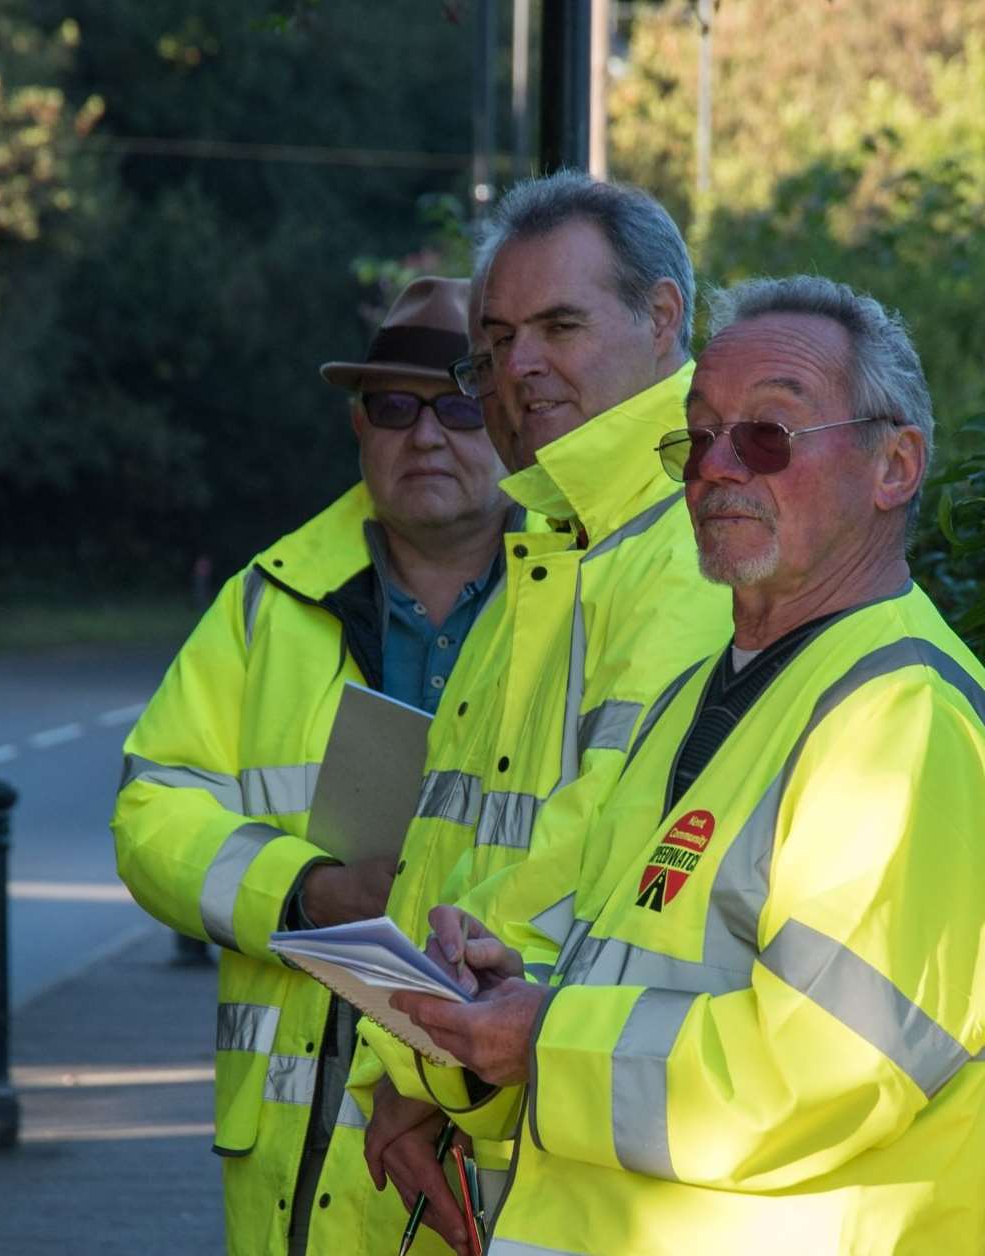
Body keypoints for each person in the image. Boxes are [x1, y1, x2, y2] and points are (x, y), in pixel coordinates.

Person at [395, 275, 985, 1254]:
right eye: (695, 436)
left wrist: (546, 1037)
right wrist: (503, 996)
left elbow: (823, 1073)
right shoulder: (700, 697)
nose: (714, 467)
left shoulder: (903, 717)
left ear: (895, 465)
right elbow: (635, 970)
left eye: (766, 434)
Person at [355, 170, 735, 1256]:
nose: (518, 368)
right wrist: (418, 1068)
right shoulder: (550, 540)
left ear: (663, 318)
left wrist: (418, 1063)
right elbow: (461, 850)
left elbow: (597, 851)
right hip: (515, 1117)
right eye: (497, 339)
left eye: (559, 324)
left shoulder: (685, 539)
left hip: (585, 1136)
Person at [111, 275, 514, 1256]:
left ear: (509, 416)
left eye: (460, 403)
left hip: (494, 1152)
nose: (425, 434)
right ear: (356, 424)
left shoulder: (587, 603)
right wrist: (306, 890)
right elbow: (152, 812)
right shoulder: (268, 600)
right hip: (306, 1171)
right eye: (393, 406)